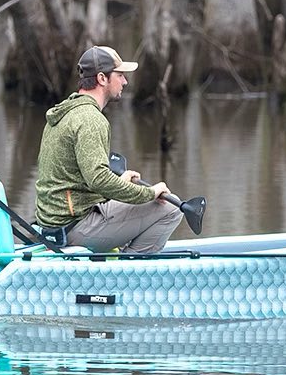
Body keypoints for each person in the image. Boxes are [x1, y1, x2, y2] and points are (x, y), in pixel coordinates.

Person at [34, 45, 183, 253]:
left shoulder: (64, 113)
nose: (125, 81)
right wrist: (148, 193)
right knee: (171, 208)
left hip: (53, 226)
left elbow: (79, 180)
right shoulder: (91, 119)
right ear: (102, 79)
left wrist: (119, 185)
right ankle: (127, 276)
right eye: (120, 75)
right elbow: (99, 179)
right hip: (75, 229)